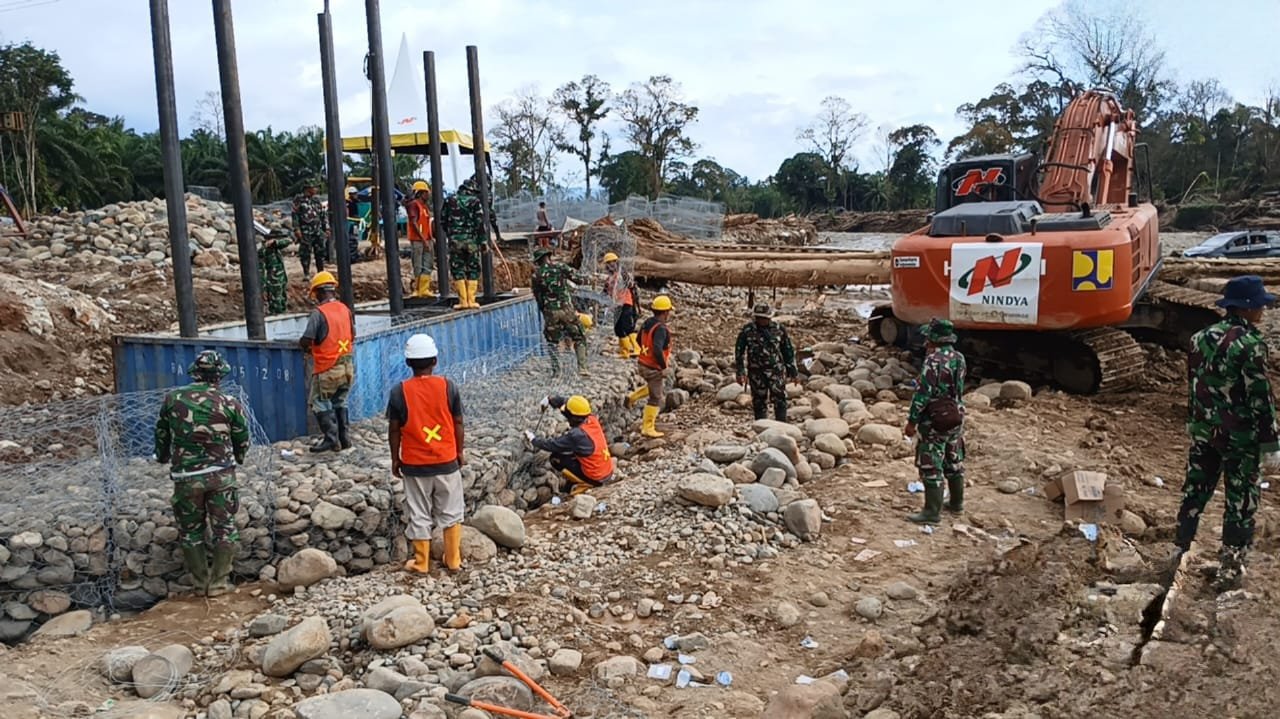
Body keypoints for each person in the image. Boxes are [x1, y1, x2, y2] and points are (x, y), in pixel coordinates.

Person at [1177, 275, 1280, 591]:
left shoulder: (1198, 338)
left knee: (1195, 490)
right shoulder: (1250, 345)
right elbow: (1260, 397)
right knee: (1241, 502)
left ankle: (1179, 549)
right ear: (1248, 308)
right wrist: (1271, 442)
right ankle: (1232, 568)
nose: (1264, 310)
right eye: (1260, 305)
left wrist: (1195, 423)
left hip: (1204, 430)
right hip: (1239, 438)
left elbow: (1195, 385)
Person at [154, 350, 249, 597]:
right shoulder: (229, 403)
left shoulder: (172, 399)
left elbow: (162, 433)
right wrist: (237, 458)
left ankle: (199, 583)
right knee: (225, 527)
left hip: (186, 478)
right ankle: (219, 584)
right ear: (219, 376)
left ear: (194, 373)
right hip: (221, 476)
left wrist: (163, 457)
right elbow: (242, 438)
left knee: (190, 531)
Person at [387, 333, 465, 574]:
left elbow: (394, 429)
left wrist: (395, 458)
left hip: (414, 463)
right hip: (446, 461)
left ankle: (421, 563)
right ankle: (453, 560)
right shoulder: (448, 386)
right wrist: (459, 451)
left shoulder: (399, 391)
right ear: (435, 360)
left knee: (419, 512)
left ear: (408, 363)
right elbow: (458, 422)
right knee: (451, 512)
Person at [903, 318, 967, 523]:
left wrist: (912, 422)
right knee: (953, 459)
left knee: (931, 465)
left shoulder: (932, 361)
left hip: (935, 419)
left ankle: (931, 512)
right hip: (956, 414)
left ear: (933, 339)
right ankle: (957, 504)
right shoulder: (959, 357)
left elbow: (923, 394)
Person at [299, 271, 355, 453]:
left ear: (317, 292)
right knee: (340, 401)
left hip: (327, 367)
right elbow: (353, 335)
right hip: (347, 366)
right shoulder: (345, 309)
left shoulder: (319, 313)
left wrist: (306, 348)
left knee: (319, 402)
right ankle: (344, 438)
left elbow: (307, 339)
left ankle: (331, 439)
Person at [528, 395, 615, 496]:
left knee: (555, 458)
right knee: (571, 451)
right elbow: (569, 408)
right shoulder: (591, 419)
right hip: (606, 470)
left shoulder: (577, 436)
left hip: (597, 478)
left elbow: (552, 445)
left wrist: (533, 440)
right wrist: (551, 399)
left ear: (573, 418)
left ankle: (583, 482)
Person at [735, 303, 798, 421]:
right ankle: (761, 426)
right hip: (756, 372)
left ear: (769, 317)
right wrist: (740, 372)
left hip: (776, 371)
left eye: (764, 318)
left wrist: (792, 371)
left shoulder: (779, 329)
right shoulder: (748, 330)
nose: (761, 320)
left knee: (780, 398)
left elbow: (787, 350)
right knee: (759, 399)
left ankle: (781, 424)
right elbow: (739, 351)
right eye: (759, 318)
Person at [531, 247, 588, 376]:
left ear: (538, 261)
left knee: (552, 341)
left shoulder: (536, 275)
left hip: (550, 312)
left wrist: (544, 311)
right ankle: (582, 368)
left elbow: (538, 297)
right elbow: (578, 279)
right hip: (567, 310)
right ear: (548, 257)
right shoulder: (561, 267)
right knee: (579, 336)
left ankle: (557, 371)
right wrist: (590, 279)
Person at [629, 295, 674, 438]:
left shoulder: (647, 323)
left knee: (653, 386)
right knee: (656, 397)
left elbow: (637, 338)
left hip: (642, 362)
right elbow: (657, 349)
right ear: (666, 312)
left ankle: (632, 397)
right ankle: (647, 427)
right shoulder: (661, 329)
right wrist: (663, 367)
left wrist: (644, 351)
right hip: (653, 367)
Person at [442, 177, 484, 309]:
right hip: (471, 241)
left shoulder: (449, 200)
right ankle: (472, 301)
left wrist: (451, 234)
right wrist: (482, 241)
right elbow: (480, 223)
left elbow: (442, 220)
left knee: (458, 268)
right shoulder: (475, 201)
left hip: (455, 241)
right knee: (473, 268)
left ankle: (463, 302)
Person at [603, 252, 639, 358]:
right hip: (617, 305)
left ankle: (634, 348)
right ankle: (624, 351)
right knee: (618, 328)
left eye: (613, 262)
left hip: (626, 303)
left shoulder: (622, 273)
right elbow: (605, 291)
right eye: (608, 263)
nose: (611, 265)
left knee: (627, 327)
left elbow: (630, 284)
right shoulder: (609, 278)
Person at [292, 178, 329, 277]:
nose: (316, 189)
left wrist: (326, 228)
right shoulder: (299, 200)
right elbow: (295, 215)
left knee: (320, 252)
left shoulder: (316, 200)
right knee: (305, 253)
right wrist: (296, 229)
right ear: (308, 188)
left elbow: (322, 215)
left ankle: (321, 272)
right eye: (315, 187)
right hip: (305, 231)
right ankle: (306, 274)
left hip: (317, 230)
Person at [406, 180, 435, 298]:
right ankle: (417, 290)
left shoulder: (424, 206)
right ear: (420, 193)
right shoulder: (414, 205)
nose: (428, 195)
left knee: (427, 263)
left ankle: (424, 289)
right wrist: (423, 239)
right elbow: (414, 223)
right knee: (418, 265)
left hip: (427, 239)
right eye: (426, 193)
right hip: (418, 240)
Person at [257, 226, 291, 316]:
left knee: (282, 300)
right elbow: (261, 269)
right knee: (276, 304)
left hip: (280, 279)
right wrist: (263, 286)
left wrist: (275, 242)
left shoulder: (274, 248)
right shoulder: (265, 250)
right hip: (272, 281)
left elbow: (288, 241)